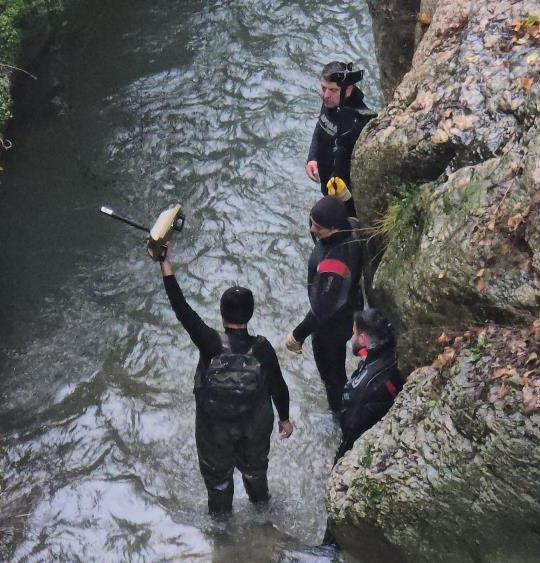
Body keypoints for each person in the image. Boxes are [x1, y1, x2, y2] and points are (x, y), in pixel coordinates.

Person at [157, 247, 294, 516]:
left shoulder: (209, 343)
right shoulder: (262, 348)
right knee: (255, 473)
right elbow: (279, 387)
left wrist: (165, 263)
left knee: (218, 483)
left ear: (222, 313)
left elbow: (181, 308)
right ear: (250, 315)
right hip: (253, 427)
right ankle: (262, 519)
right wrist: (285, 419)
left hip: (214, 429)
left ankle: (221, 536)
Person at [285, 196, 364, 414]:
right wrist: (346, 198)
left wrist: (297, 335)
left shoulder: (334, 265)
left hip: (331, 327)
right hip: (351, 306)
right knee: (336, 368)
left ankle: (340, 414)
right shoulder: (352, 226)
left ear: (333, 229)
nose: (311, 229)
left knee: (332, 376)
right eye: (311, 222)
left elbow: (321, 310)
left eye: (318, 227)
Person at [305, 61, 377, 218]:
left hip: (349, 198)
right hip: (327, 183)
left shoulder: (362, 122)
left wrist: (348, 196)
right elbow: (320, 127)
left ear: (348, 90)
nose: (325, 95)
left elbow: (370, 173)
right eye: (323, 88)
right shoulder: (330, 102)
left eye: (333, 90)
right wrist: (312, 158)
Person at [336, 308, 404, 460]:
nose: (352, 338)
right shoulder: (392, 344)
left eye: (355, 333)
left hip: (368, 422)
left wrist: (338, 461)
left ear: (365, 338)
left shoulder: (359, 389)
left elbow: (350, 429)